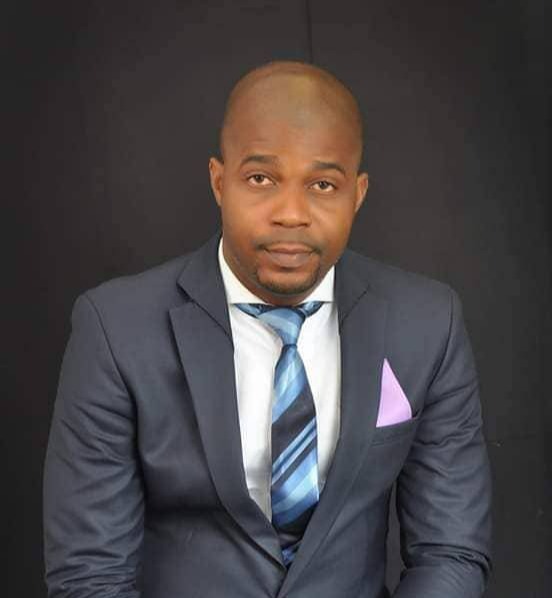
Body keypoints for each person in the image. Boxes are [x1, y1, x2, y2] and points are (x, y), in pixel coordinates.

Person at [43, 61, 492, 598]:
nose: (291, 213)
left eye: (322, 184)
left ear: (357, 194)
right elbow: (90, 574)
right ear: (219, 182)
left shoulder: (427, 323)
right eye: (261, 179)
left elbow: (449, 551)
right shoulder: (116, 329)